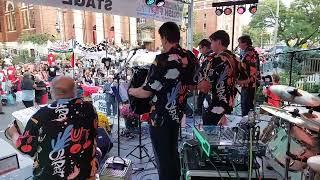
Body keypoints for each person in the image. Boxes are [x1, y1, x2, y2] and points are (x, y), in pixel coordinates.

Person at [128, 22, 197, 180]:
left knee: (162, 156)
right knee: (172, 152)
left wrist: (130, 90)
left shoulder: (162, 59)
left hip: (159, 116)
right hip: (177, 112)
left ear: (165, 38)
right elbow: (193, 85)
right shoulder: (190, 57)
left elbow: (146, 92)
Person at [6, 76, 98, 180]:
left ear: (52, 91)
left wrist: (13, 132)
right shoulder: (90, 109)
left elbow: (26, 147)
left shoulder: (43, 114)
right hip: (85, 173)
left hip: (51, 175)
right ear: (75, 91)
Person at [197, 30, 238, 125]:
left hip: (213, 105)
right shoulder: (235, 58)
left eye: (212, 42)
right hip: (228, 104)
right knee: (224, 136)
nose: (210, 45)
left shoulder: (212, 60)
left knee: (210, 135)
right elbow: (243, 80)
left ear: (218, 42)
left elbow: (203, 85)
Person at [238, 35, 260, 116]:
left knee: (246, 106)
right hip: (251, 83)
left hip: (249, 84)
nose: (239, 45)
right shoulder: (252, 51)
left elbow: (249, 71)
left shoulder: (249, 54)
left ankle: (245, 125)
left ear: (245, 43)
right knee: (249, 106)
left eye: (240, 43)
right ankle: (248, 123)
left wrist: (241, 80)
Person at [196, 39, 214, 116]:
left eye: (200, 48)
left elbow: (205, 71)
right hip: (205, 83)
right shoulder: (206, 56)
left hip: (207, 83)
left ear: (205, 47)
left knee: (205, 100)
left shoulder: (210, 57)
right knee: (203, 100)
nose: (200, 50)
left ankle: (204, 114)